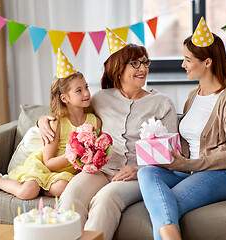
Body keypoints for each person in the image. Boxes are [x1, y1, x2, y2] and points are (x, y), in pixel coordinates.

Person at [37, 28, 178, 240]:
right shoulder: (100, 99)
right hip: (101, 170)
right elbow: (68, 112)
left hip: (140, 176)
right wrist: (41, 121)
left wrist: (139, 169)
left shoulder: (162, 103)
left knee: (106, 199)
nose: (143, 68)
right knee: (71, 194)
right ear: (118, 69)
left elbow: (172, 153)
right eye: (135, 63)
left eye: (145, 62)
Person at [137, 17, 226, 240]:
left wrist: (189, 163)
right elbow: (187, 143)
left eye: (188, 59)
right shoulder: (192, 96)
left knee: (165, 205)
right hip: (189, 172)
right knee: (146, 172)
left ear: (207, 62)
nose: (183, 65)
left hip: (222, 175)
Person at [0, 50, 101, 200]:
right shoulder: (57, 123)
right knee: (27, 192)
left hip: (66, 175)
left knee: (63, 187)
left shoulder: (94, 122)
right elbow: (48, 162)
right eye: (79, 90)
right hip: (44, 168)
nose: (86, 93)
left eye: (86, 87)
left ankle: (41, 188)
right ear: (64, 98)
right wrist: (74, 154)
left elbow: (97, 152)